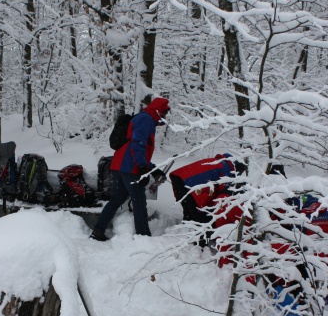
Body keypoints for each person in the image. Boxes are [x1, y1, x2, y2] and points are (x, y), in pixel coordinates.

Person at [90, 97, 170, 241]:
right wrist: (141, 167)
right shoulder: (146, 119)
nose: (164, 117)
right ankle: (143, 237)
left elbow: (136, 149)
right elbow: (138, 144)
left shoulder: (143, 118)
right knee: (139, 201)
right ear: (158, 111)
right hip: (130, 168)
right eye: (164, 113)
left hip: (119, 165)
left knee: (117, 199)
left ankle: (98, 230)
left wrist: (153, 169)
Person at [169, 154, 245, 224]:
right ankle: (191, 231)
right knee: (197, 215)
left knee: (189, 211)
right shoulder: (227, 170)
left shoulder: (219, 162)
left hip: (179, 178)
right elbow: (222, 195)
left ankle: (184, 228)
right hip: (189, 184)